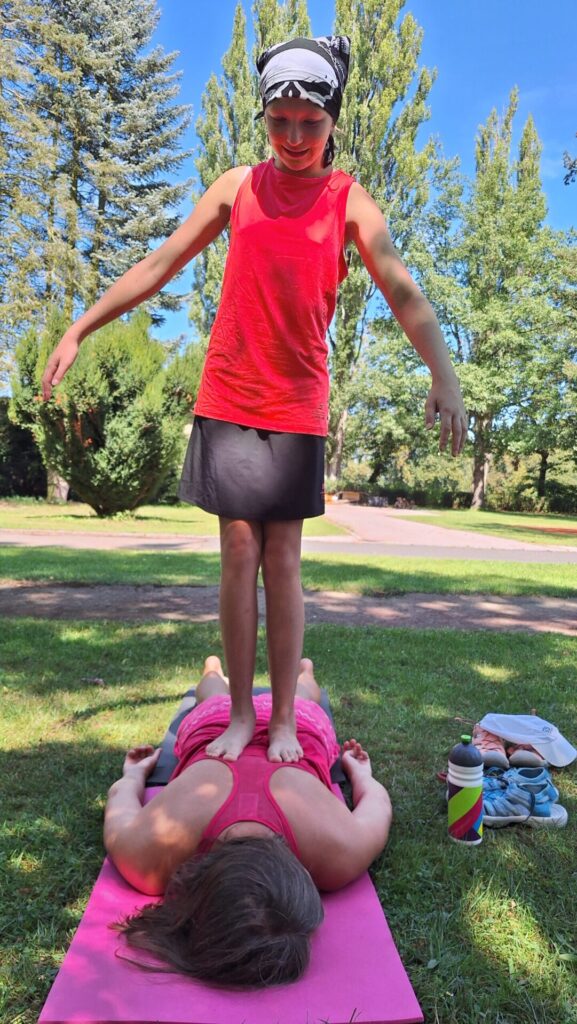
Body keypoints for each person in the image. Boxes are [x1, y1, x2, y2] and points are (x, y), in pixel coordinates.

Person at [42, 36, 468, 764]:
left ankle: (283, 722)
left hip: (296, 403)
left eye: (310, 123)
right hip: (231, 393)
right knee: (238, 550)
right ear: (264, 118)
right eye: (280, 122)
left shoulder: (348, 201)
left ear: (332, 119)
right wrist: (81, 326)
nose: (295, 137)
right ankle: (241, 714)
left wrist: (443, 372)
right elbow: (161, 261)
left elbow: (401, 289)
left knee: (284, 559)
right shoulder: (238, 186)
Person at [104, 655, 392, 988]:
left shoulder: (340, 852)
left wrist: (362, 776)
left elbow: (378, 804)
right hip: (245, 728)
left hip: (279, 730)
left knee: (283, 699)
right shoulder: (147, 856)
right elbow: (120, 801)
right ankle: (238, 670)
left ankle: (231, 670)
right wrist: (133, 776)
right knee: (230, 699)